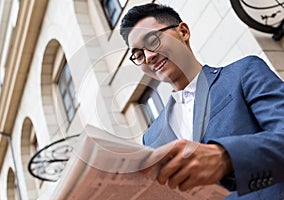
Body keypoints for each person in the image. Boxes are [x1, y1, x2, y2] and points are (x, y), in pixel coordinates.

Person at [119, 3, 284, 200]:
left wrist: (227, 157)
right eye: (138, 55)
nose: (149, 56)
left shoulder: (243, 73)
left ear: (183, 32)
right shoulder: (151, 138)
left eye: (153, 41)